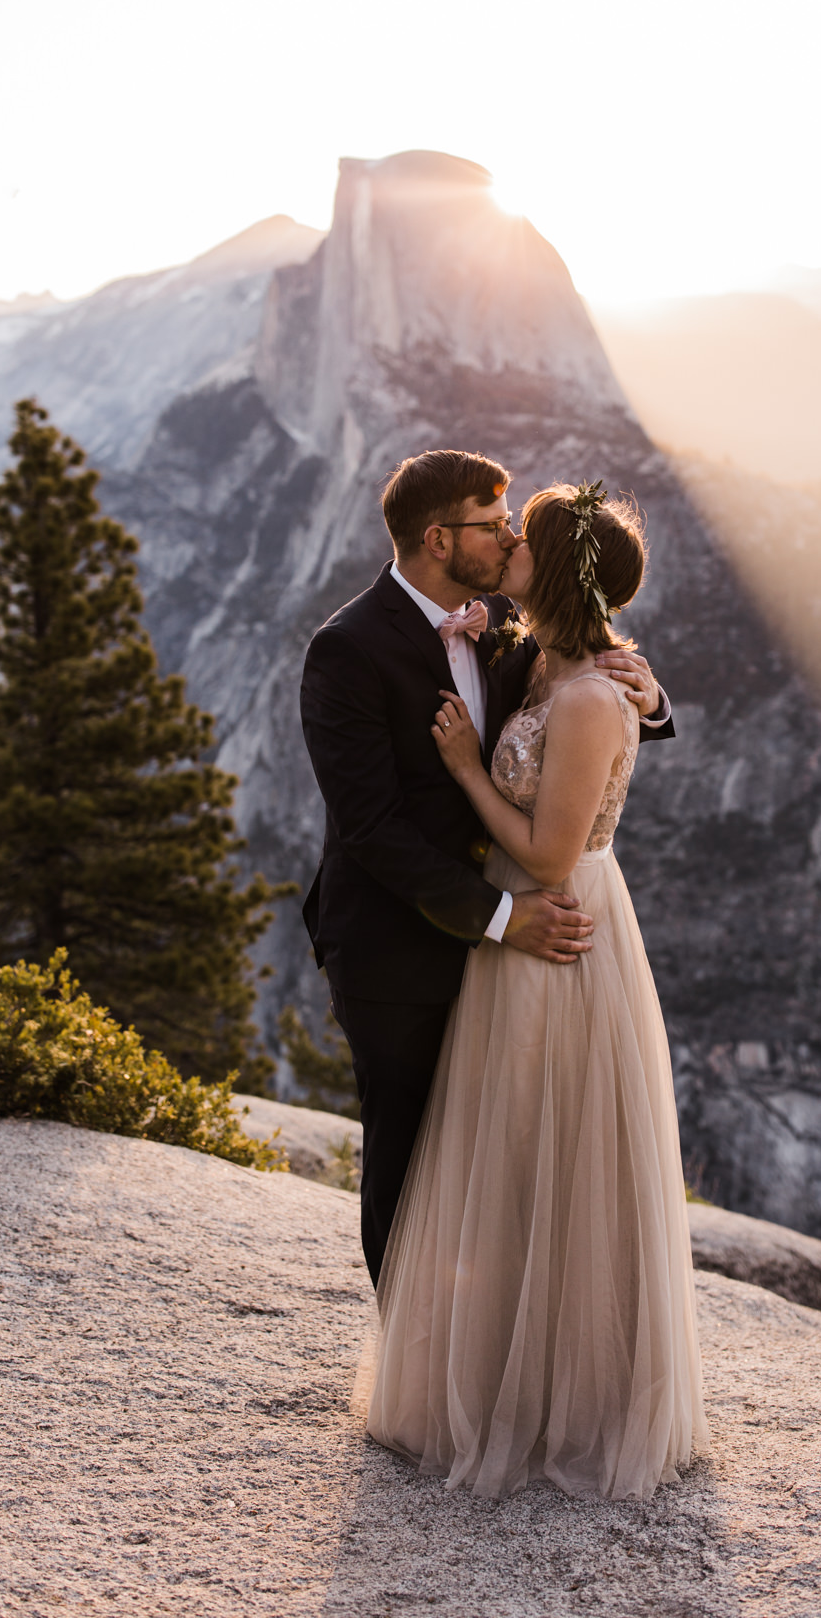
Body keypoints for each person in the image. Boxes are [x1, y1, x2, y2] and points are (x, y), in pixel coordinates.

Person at [365, 481, 708, 1500]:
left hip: (552, 929)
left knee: (561, 1153)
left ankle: (569, 1401)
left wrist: (471, 768)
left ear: (552, 570)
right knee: (507, 1151)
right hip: (508, 929)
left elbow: (552, 847)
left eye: (524, 537)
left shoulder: (595, 688)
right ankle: (489, 1372)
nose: (506, 542)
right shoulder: (551, 655)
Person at [299, 449, 674, 1289]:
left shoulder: (505, 619)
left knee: (503, 1154)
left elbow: (579, 697)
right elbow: (370, 828)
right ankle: (415, 1359)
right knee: (408, 1154)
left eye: (513, 527)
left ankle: (500, 1357)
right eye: (492, 524)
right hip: (398, 943)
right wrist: (502, 917)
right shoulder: (347, 650)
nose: (508, 538)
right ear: (438, 539)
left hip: (513, 936)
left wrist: (649, 700)